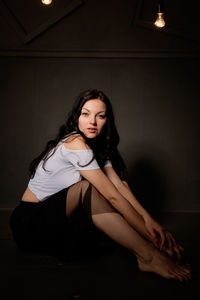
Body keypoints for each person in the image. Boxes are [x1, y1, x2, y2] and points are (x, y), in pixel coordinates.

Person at [10, 89, 191, 281]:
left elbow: (119, 188)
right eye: (86, 114)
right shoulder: (76, 142)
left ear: (107, 120)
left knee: (119, 185)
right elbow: (112, 196)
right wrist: (153, 245)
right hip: (30, 224)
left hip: (59, 221)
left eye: (100, 116)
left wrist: (152, 226)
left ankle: (152, 251)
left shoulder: (97, 147)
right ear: (76, 117)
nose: (93, 122)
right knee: (86, 189)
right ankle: (148, 256)